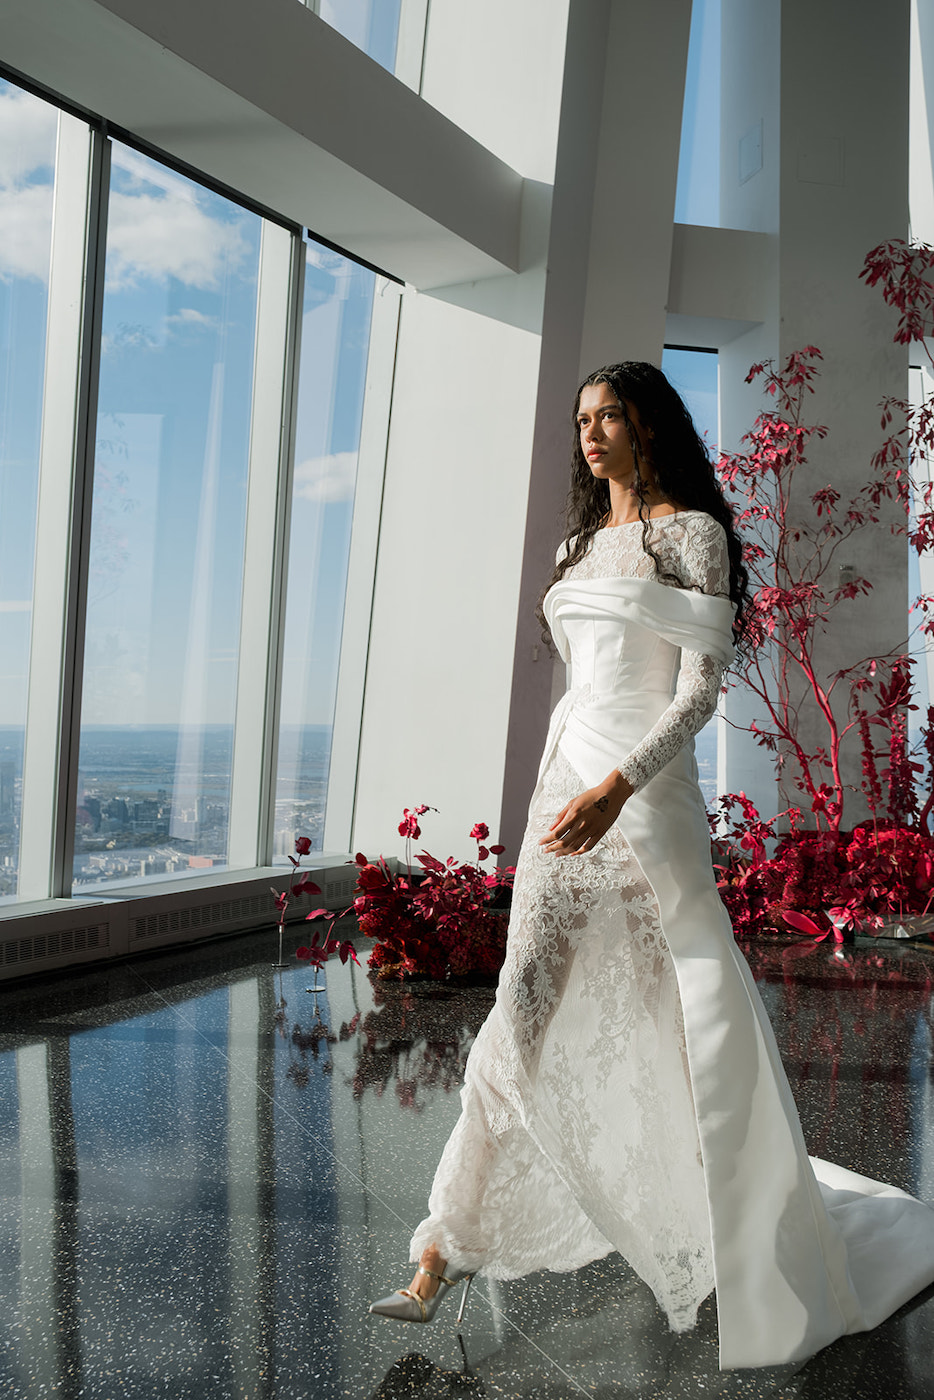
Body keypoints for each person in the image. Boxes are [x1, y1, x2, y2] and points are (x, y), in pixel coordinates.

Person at [369, 362, 934, 1369]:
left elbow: (700, 687)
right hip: (562, 789)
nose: (591, 432)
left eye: (610, 414)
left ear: (647, 425)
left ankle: (734, 1206)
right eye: (582, 417)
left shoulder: (691, 535)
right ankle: (441, 1248)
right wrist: (572, 788)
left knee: (685, 1009)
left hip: (641, 797)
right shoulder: (575, 545)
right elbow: (585, 679)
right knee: (523, 1005)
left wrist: (618, 785)